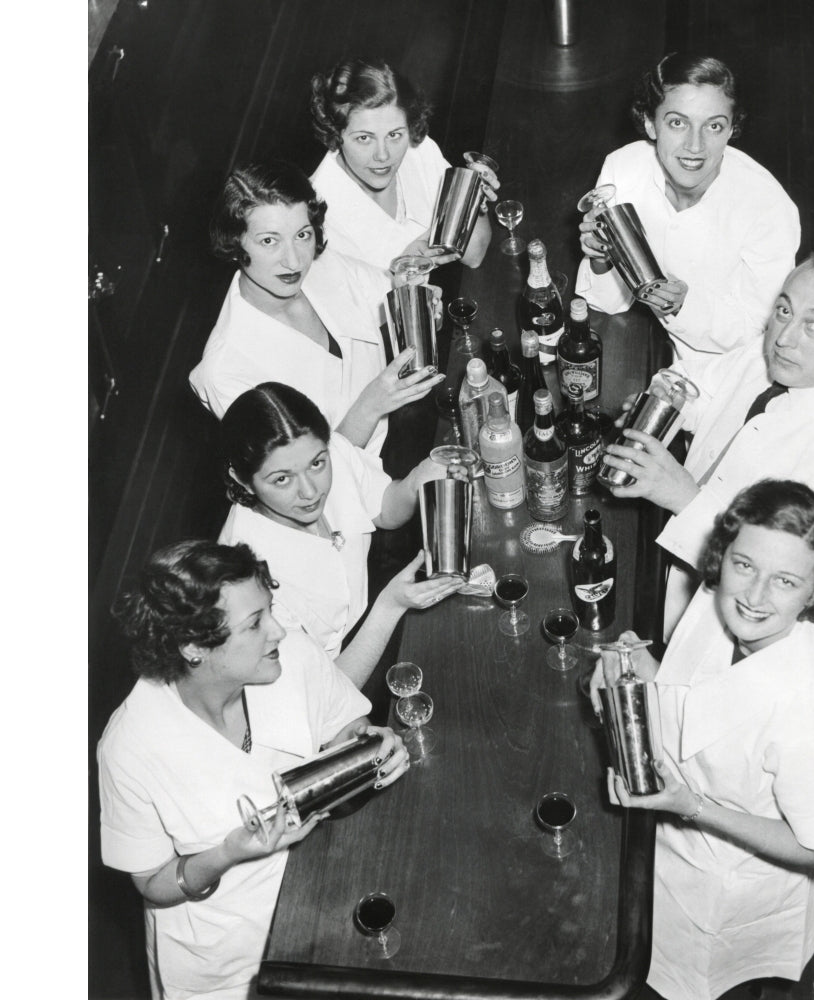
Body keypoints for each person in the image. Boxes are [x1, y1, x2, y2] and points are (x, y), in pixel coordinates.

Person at [591, 480, 814, 1000]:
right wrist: (634, 664)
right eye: (744, 566)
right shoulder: (719, 599)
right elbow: (695, 686)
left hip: (720, 883)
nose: (754, 596)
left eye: (785, 581)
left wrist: (693, 807)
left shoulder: (809, 704)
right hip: (655, 847)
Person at [97, 540, 409, 1000]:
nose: (278, 631)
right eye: (255, 623)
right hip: (224, 959)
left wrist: (370, 748)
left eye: (270, 610)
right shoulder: (130, 746)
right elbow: (153, 882)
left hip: (324, 902)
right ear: (193, 646)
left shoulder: (292, 657)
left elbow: (346, 726)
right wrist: (230, 852)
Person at [600, 249, 814, 641]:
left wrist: (684, 499)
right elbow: (706, 388)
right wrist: (665, 405)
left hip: (743, 632)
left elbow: (777, 587)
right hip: (680, 560)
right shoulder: (790, 353)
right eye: (784, 310)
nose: (785, 338)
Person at [189, 160, 445, 455]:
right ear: (235, 243)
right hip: (356, 486)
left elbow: (392, 295)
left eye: (302, 235)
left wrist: (418, 305)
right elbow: (308, 480)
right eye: (269, 241)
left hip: (410, 424)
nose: (295, 261)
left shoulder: (323, 264)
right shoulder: (226, 370)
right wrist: (371, 405)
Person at [218, 382, 464, 678]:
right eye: (282, 479)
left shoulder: (332, 450)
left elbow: (384, 509)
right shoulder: (241, 580)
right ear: (243, 481)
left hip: (377, 611)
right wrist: (390, 605)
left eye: (317, 464)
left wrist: (417, 480)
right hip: (343, 677)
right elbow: (325, 701)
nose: (310, 491)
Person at [575, 52, 800, 360]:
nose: (695, 146)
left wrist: (684, 307)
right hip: (638, 339)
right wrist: (601, 259)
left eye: (714, 126)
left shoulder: (769, 208)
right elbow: (608, 303)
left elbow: (759, 329)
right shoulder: (622, 169)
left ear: (733, 128)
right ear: (650, 124)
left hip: (719, 366)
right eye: (678, 122)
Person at [309, 57, 498, 271]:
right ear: (335, 133)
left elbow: (474, 255)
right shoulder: (315, 210)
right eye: (364, 138)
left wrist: (472, 199)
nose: (383, 155)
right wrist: (404, 269)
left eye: (394, 134)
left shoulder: (418, 150)